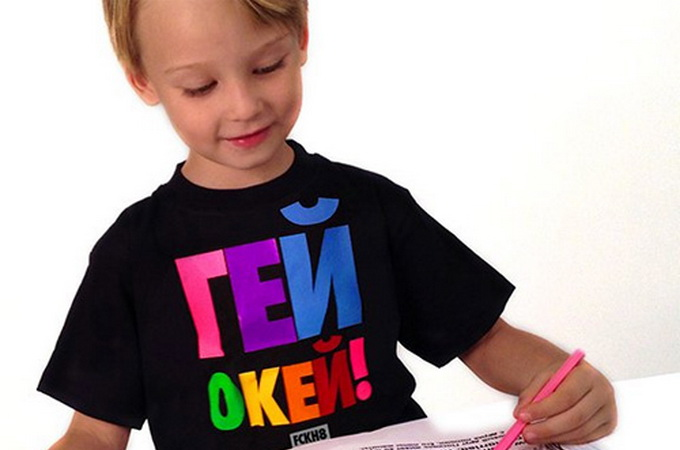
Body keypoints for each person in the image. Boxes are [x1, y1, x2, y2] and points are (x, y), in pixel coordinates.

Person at [39, 1, 617, 449]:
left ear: (301, 39)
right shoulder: (135, 251)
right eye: (201, 86)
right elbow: (95, 433)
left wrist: (563, 383)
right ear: (143, 80)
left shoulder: (369, 205)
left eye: (266, 66)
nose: (243, 105)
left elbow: (485, 337)